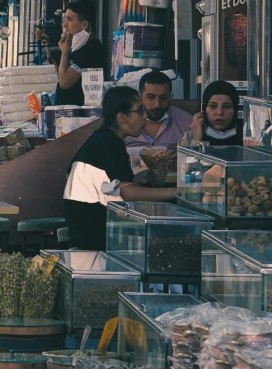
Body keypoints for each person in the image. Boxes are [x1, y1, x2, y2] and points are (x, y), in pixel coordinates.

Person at [62, 85, 178, 250]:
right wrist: (174, 193)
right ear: (122, 117)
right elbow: (125, 192)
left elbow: (111, 186)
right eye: (140, 110)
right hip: (95, 237)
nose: (145, 116)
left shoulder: (104, 139)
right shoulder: (109, 144)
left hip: (91, 231)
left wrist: (142, 178)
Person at [53, 0, 109, 107]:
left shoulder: (91, 48)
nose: (64, 24)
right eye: (64, 19)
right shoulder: (78, 47)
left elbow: (64, 82)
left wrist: (64, 52)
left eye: (69, 19)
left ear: (84, 24)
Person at [125, 69, 195, 150]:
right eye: (151, 97)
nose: (157, 104)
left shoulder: (187, 123)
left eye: (163, 98)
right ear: (140, 97)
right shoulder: (126, 120)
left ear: (170, 97)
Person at [190, 80, 245, 146]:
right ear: (204, 109)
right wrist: (196, 140)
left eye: (226, 106)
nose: (219, 113)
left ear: (235, 109)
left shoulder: (248, 135)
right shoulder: (190, 136)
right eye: (213, 106)